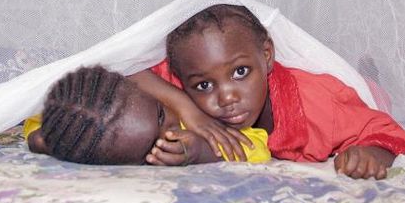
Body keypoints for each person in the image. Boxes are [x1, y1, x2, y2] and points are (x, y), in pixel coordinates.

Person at [131, 4, 405, 180]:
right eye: (205, 85)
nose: (227, 97)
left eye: (240, 72)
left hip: (348, 95)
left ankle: (369, 74)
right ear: (181, 78)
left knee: (375, 95)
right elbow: (127, 68)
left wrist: (371, 154)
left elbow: (391, 134)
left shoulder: (319, 103)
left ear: (267, 55)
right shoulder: (190, 71)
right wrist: (187, 108)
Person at [25, 65, 271, 165]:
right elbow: (45, 128)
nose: (171, 133)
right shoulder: (81, 125)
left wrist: (188, 112)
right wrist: (199, 153)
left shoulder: (194, 118)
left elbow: (257, 147)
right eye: (151, 146)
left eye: (161, 115)